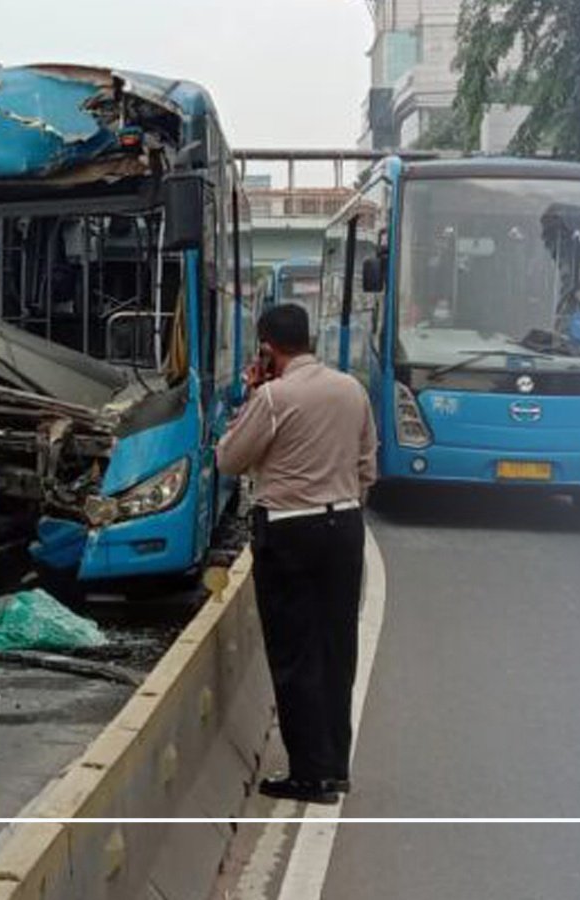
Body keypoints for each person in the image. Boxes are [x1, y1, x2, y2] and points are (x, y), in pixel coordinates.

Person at [217, 304, 378, 805]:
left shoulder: (271, 398)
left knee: (294, 654)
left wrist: (250, 395)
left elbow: (229, 460)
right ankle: (334, 767)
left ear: (268, 347)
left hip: (289, 531)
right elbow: (368, 465)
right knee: (336, 649)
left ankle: (308, 774)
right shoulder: (352, 389)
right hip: (345, 525)